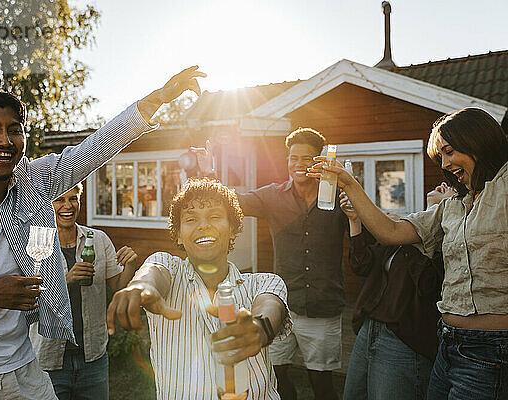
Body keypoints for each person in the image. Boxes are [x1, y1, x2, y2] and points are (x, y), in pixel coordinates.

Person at [0, 66, 205, 400]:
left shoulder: (35, 182)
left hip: (24, 370)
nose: (5, 141)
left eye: (14, 130)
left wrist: (157, 100)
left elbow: (92, 150)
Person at [307, 107, 508, 400]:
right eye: (441, 156)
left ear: (477, 140)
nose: (446, 163)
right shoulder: (453, 205)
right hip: (448, 343)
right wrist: (349, 183)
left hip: (491, 349)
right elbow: (390, 231)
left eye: (450, 152)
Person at [106, 178, 292, 400]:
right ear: (178, 235)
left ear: (233, 229)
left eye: (214, 216)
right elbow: (153, 272)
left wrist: (259, 328)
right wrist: (140, 286)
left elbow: (269, 306)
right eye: (191, 219)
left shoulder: (264, 283)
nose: (204, 226)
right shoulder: (169, 269)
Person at [196, 129, 347, 400]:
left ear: (320, 160)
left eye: (307, 158)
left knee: (322, 383)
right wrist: (210, 174)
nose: (299, 164)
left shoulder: (338, 198)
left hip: (324, 308)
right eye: (293, 158)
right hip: (281, 306)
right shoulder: (273, 196)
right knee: (277, 375)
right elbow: (232, 202)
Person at [341, 182, 455, 400]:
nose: (442, 184)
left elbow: (429, 286)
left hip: (404, 338)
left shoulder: (447, 238)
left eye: (450, 186)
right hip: (369, 328)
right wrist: (354, 220)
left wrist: (400, 235)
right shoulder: (406, 227)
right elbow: (361, 264)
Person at [29, 184, 139, 400]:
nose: (67, 206)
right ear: (46, 204)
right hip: (48, 359)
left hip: (92, 358)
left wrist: (131, 267)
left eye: (73, 199)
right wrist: (67, 279)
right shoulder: (37, 242)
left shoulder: (97, 239)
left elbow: (117, 286)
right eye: (59, 200)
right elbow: (28, 296)